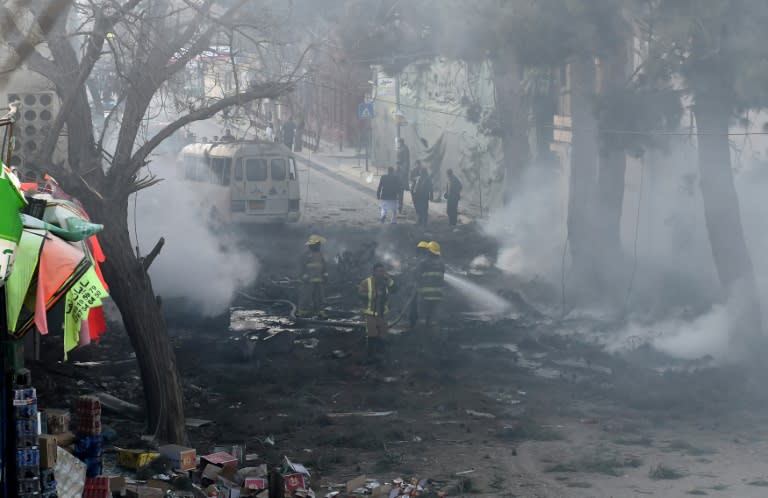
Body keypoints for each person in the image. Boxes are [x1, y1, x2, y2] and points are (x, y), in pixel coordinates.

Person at [358, 262, 396, 358]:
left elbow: (395, 289)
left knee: (383, 335)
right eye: (379, 271)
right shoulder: (366, 282)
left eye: (383, 271)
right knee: (372, 335)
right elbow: (360, 294)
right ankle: (370, 356)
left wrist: (389, 280)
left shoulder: (386, 281)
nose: (381, 273)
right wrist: (372, 296)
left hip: (382, 313)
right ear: (374, 272)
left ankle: (382, 355)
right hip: (370, 313)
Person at [413, 241, 445, 333]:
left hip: (424, 295)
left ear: (428, 251)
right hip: (437, 295)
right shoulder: (442, 264)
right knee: (433, 318)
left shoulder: (423, 262)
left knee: (422, 317)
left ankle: (421, 336)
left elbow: (417, 276)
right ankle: (434, 336)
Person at [298, 235, 329, 318]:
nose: (319, 246)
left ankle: (320, 312)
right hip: (308, 280)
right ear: (312, 245)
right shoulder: (306, 255)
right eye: (318, 244)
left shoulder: (321, 255)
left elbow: (324, 266)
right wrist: (303, 277)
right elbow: (301, 267)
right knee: (306, 297)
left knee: (320, 297)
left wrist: (326, 276)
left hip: (319, 280)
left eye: (319, 244)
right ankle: (302, 312)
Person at [396, 138, 410, 213]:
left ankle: (399, 208)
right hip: (400, 170)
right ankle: (398, 207)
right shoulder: (401, 148)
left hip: (402, 172)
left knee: (400, 190)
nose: (398, 143)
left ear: (401, 142)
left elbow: (406, 160)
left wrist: (403, 169)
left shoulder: (404, 149)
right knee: (398, 191)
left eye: (399, 142)